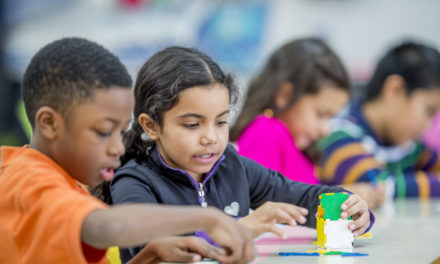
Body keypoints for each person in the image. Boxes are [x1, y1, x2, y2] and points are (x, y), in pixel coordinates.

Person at [106, 46, 373, 262]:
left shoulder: (232, 167)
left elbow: (303, 196)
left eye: (221, 122)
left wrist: (350, 206)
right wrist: (237, 229)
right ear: (151, 126)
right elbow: (156, 251)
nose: (211, 137)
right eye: (192, 124)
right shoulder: (134, 181)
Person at [0, 38, 255, 264]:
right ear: (50, 123)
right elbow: (107, 225)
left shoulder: (65, 183)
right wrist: (205, 219)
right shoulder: (29, 179)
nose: (118, 147)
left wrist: (150, 254)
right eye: (103, 131)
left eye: (120, 131)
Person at [318, 41, 440, 200]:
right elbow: (375, 187)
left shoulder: (409, 147)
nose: (429, 125)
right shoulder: (339, 137)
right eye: (428, 111)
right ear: (395, 90)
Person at [230, 38, 350, 185]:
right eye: (320, 115)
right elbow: (259, 201)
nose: (325, 130)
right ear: (285, 95)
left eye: (331, 117)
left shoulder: (297, 147)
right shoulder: (267, 131)